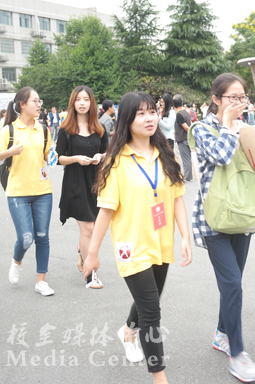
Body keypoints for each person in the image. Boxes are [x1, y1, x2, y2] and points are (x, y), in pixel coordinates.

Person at [83, 91, 192, 384]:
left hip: (161, 241)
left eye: (152, 112)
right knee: (152, 311)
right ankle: (159, 376)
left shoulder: (166, 153)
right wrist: (92, 253)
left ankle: (127, 331)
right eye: (141, 113)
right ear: (128, 120)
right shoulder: (115, 161)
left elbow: (177, 198)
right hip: (130, 246)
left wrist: (185, 236)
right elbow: (106, 210)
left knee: (148, 301)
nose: (149, 118)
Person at [191, 73, 255, 382]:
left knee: (231, 284)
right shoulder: (202, 129)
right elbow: (221, 156)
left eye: (242, 97)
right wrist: (228, 124)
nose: (238, 103)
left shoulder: (248, 130)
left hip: (242, 215)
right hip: (214, 219)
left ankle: (222, 334)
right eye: (232, 97)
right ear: (216, 99)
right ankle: (238, 354)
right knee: (233, 283)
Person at [0, 87, 55, 296]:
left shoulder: (43, 129)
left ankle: (41, 281)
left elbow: (49, 156)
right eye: (35, 101)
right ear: (22, 104)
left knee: (42, 236)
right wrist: (10, 151)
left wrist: (61, 156)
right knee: (26, 238)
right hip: (18, 192)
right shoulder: (9, 130)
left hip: (43, 191)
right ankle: (17, 261)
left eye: (39, 101)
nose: (39, 104)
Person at [57, 86, 109, 289]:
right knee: (89, 228)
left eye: (86, 99)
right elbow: (59, 158)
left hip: (96, 183)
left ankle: (82, 253)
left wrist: (99, 157)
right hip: (75, 183)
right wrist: (76, 158)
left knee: (94, 228)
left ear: (91, 103)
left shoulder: (99, 128)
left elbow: (108, 152)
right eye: (78, 99)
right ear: (73, 102)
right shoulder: (65, 129)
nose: (82, 103)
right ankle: (91, 275)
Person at [174, 96, 192, 182]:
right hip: (187, 138)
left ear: (174, 105)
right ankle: (189, 176)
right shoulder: (186, 112)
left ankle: (187, 176)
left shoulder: (179, 114)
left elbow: (186, 127)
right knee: (188, 158)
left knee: (185, 159)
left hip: (182, 138)